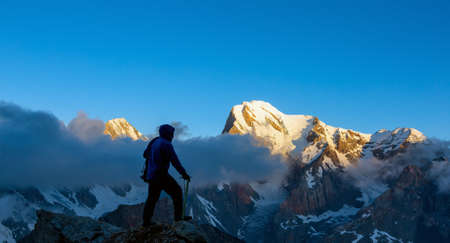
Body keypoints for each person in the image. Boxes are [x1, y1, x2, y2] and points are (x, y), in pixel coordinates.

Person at [142, 124, 191, 227]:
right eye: (171, 133)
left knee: (152, 198)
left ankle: (146, 222)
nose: (172, 136)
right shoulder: (166, 144)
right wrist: (184, 174)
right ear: (168, 133)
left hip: (151, 175)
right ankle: (178, 217)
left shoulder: (155, 141)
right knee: (177, 192)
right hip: (161, 175)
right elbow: (175, 161)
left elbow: (145, 154)